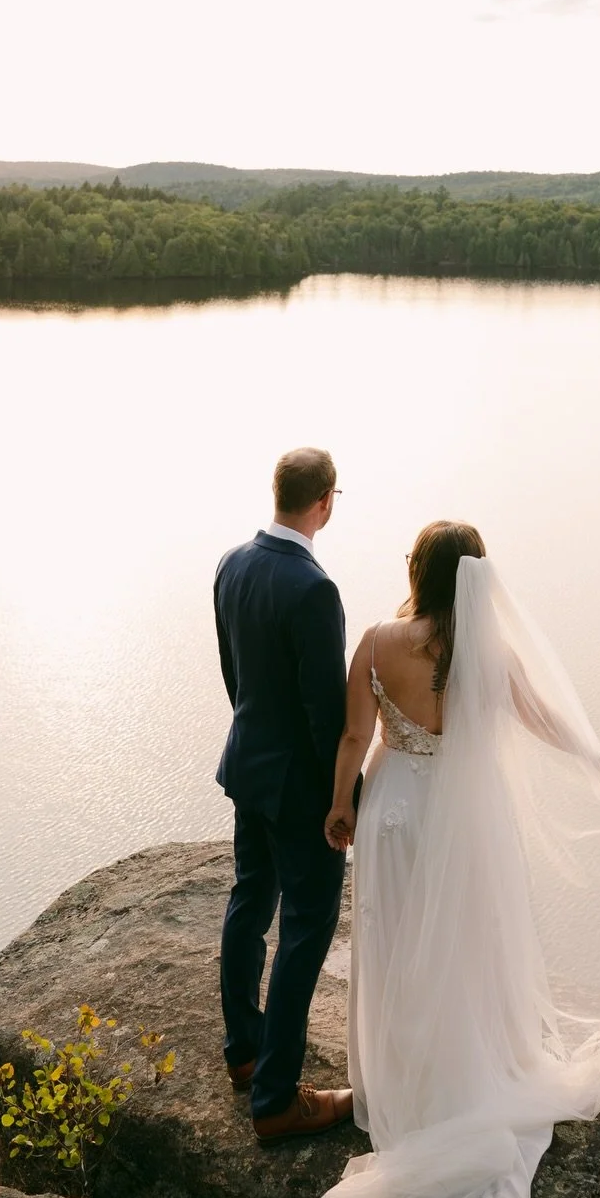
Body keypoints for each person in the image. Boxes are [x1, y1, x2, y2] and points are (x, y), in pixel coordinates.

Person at [312, 521, 600, 1198]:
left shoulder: (377, 640)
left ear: (418, 570)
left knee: (395, 937)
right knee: (467, 944)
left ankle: (400, 1081)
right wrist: (593, 753)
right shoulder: (488, 650)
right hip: (463, 819)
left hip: (395, 811)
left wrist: (341, 803)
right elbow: (538, 716)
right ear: (476, 579)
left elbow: (355, 736)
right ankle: (466, 1073)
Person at [213, 448, 354, 1144]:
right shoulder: (313, 589)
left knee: (248, 901)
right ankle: (275, 1097)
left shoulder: (231, 564)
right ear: (325, 501)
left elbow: (232, 675)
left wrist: (256, 747)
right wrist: (342, 798)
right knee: (305, 927)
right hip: (299, 792)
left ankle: (244, 1051)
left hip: (248, 769)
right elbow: (328, 715)